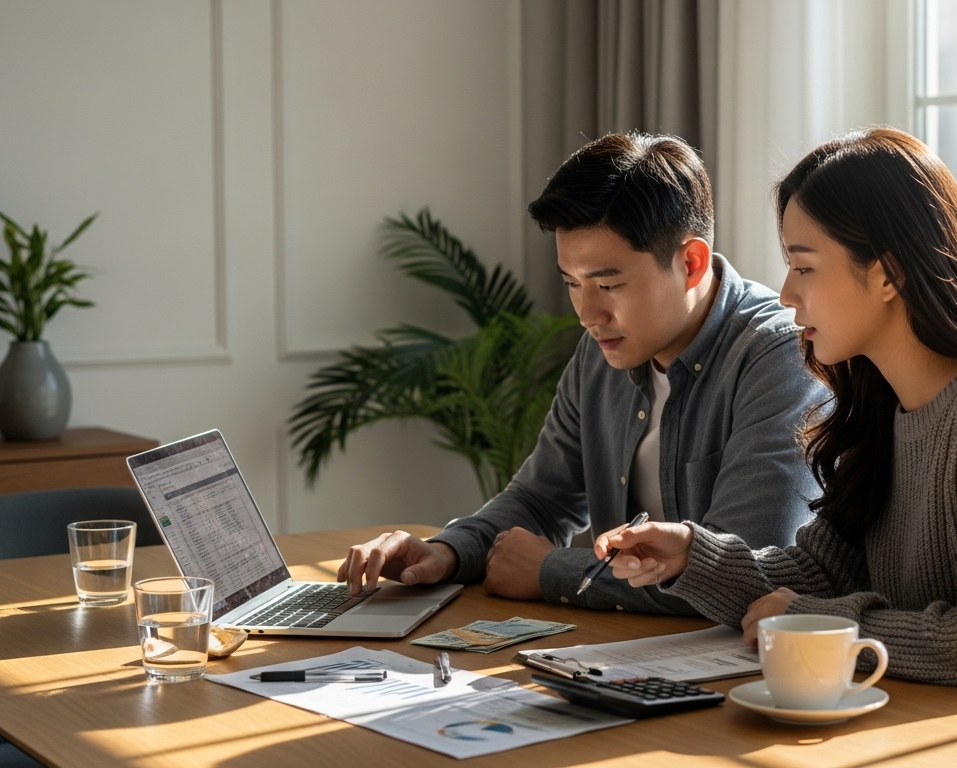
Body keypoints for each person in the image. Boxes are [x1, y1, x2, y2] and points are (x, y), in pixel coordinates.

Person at [594, 127, 957, 715]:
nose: (786, 293)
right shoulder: (881, 404)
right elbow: (823, 573)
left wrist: (819, 622)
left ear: (887, 274)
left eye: (803, 266)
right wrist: (692, 555)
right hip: (947, 731)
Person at [336, 132, 822, 614]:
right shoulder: (604, 351)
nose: (588, 314)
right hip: (627, 655)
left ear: (691, 263)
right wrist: (445, 552)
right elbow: (542, 500)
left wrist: (554, 572)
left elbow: (746, 569)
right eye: (572, 283)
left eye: (608, 284)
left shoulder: (780, 353)